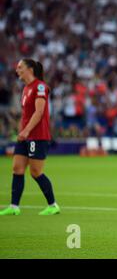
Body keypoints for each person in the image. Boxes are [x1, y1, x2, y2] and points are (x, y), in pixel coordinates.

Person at [0, 59, 60, 216]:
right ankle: (14, 207)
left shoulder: (40, 86)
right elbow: (25, 115)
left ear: (30, 69)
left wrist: (26, 131)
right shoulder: (26, 89)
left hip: (38, 136)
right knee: (17, 168)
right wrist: (21, 131)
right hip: (25, 136)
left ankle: (53, 205)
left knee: (35, 171)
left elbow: (39, 112)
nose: (17, 70)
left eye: (20, 67)